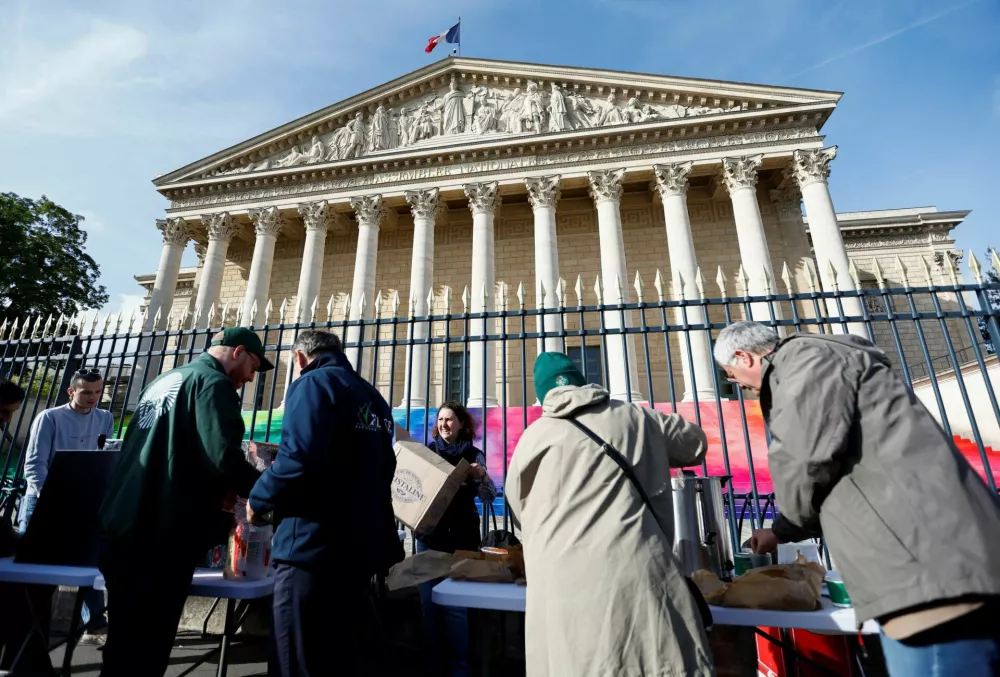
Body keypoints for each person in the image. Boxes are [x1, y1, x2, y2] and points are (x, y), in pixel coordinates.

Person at [715, 321, 1000, 676]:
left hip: (926, 568)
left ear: (744, 356)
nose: (738, 386)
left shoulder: (803, 360)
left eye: (732, 374)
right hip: (926, 560)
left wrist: (785, 525)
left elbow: (804, 455)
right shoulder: (818, 360)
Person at [506, 352, 716, 677]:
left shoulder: (530, 440)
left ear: (542, 394)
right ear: (582, 381)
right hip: (640, 579)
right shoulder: (636, 416)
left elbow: (519, 514)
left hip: (559, 591)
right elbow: (695, 444)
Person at [97, 327, 270, 677]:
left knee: (122, 643)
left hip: (122, 520)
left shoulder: (165, 379)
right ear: (238, 351)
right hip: (161, 527)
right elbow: (222, 455)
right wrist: (269, 492)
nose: (252, 377)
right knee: (148, 645)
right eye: (254, 365)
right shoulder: (214, 383)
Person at [247, 330, 402, 677]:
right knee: (335, 656)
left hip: (310, 547)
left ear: (300, 359)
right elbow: (385, 468)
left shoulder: (313, 384)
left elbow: (296, 460)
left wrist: (258, 501)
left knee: (295, 658)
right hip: (359, 550)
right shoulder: (373, 396)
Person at [18, 369, 115, 643]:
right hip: (44, 500)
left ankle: (95, 624)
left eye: (97, 392)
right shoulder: (50, 418)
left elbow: (103, 457)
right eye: (86, 392)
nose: (93, 398)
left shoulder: (104, 417)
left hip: (82, 499)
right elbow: (35, 465)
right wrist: (53, 498)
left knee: (87, 561)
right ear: (71, 392)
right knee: (37, 570)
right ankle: (30, 630)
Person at [414, 400, 496, 677]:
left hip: (462, 540)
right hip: (429, 538)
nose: (444, 425)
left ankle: (459, 668)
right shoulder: (427, 453)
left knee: (456, 610)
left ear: (462, 424)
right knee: (429, 605)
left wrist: (481, 476)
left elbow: (488, 497)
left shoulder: (474, 454)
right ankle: (434, 664)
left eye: (450, 420)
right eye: (440, 420)